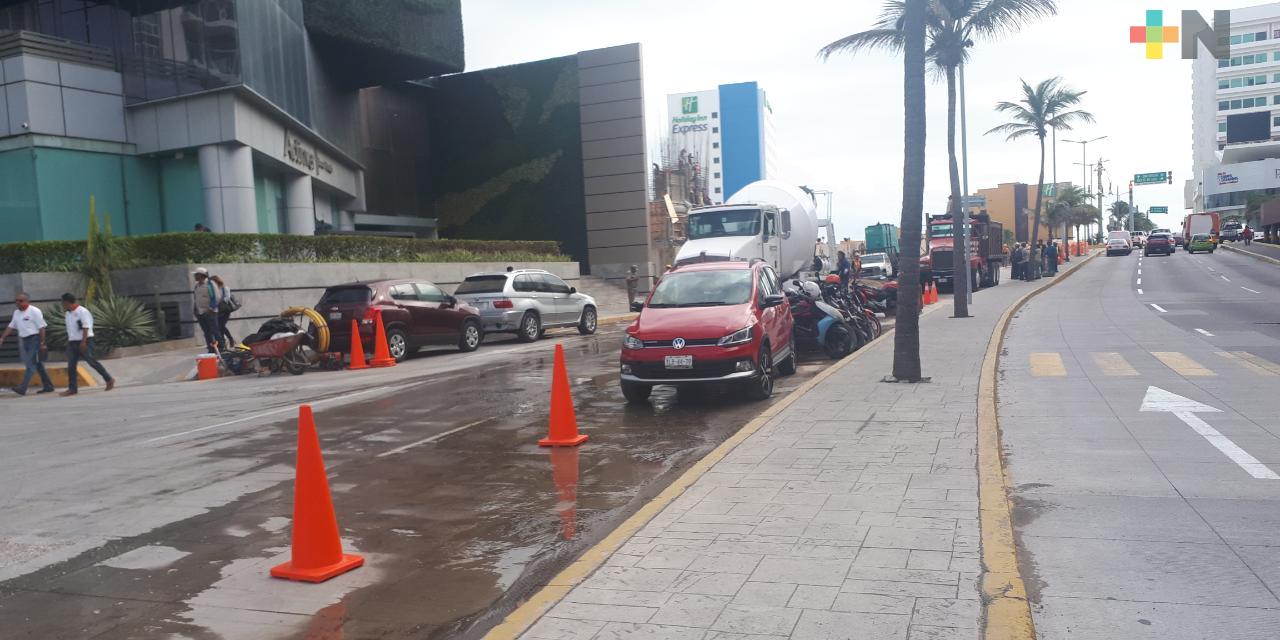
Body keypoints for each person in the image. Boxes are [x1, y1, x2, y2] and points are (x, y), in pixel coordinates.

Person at [1, 293, 55, 395]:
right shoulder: (16, 313)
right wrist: (2, 337)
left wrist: (42, 343)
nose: (18, 303)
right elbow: (11, 326)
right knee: (38, 365)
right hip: (25, 340)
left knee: (30, 364)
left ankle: (22, 388)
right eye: (16, 301)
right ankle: (48, 386)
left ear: (27, 301)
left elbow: (42, 328)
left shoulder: (34, 311)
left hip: (35, 339)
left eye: (20, 301)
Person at [60, 293, 113, 396]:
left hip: (85, 340)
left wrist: (83, 342)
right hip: (72, 342)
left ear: (67, 302)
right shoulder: (68, 313)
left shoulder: (82, 311)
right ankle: (72, 388)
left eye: (63, 302)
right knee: (71, 366)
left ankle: (109, 379)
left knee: (91, 362)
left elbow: (86, 327)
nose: (62, 305)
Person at [192, 268, 220, 353]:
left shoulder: (210, 284)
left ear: (201, 275)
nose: (195, 276)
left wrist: (211, 308)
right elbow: (196, 299)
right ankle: (211, 348)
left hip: (210, 312)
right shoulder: (197, 286)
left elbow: (216, 297)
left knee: (214, 331)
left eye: (196, 274)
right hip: (200, 312)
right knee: (206, 332)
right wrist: (195, 310)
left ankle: (221, 347)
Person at [211, 274, 236, 347]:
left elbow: (227, 298)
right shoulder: (213, 289)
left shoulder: (224, 288)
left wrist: (218, 300)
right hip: (217, 310)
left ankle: (229, 339)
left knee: (221, 326)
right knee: (219, 326)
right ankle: (224, 341)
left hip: (225, 310)